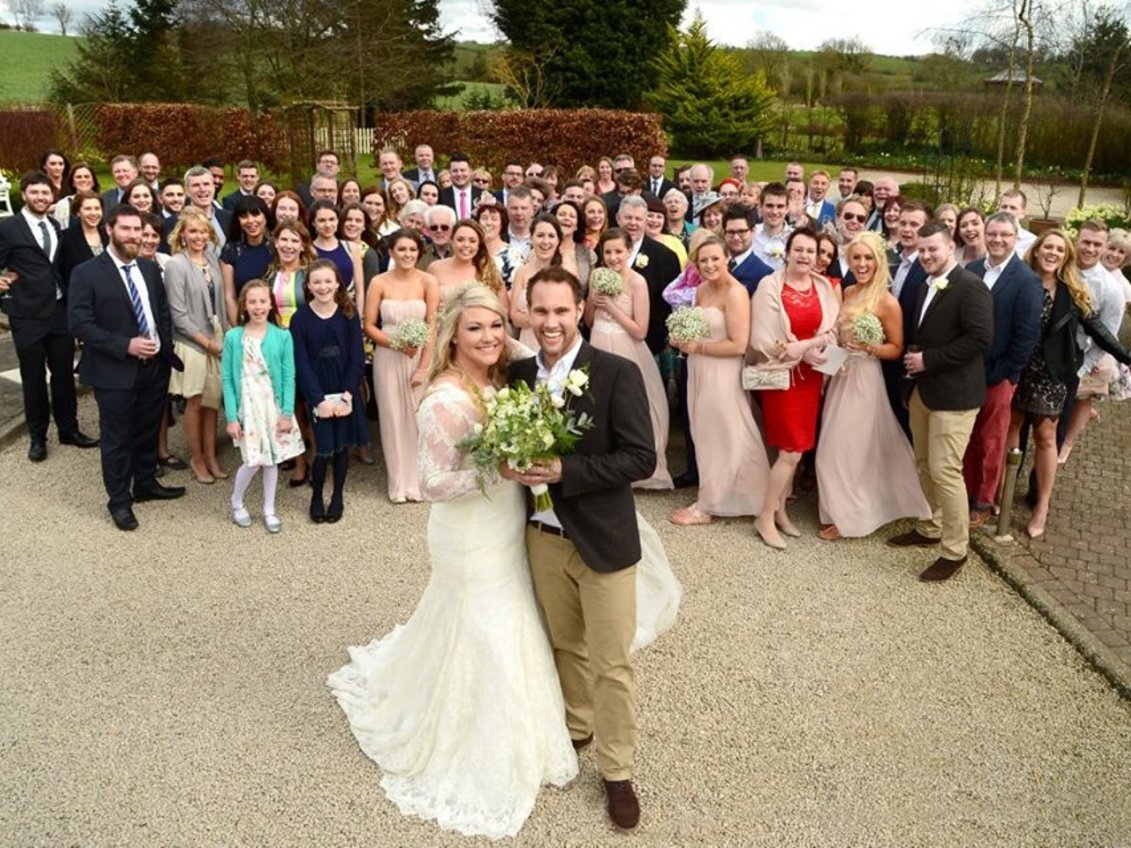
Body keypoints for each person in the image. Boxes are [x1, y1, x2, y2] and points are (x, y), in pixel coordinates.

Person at [327, 285, 579, 840]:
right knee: (485, 624)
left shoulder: (498, 372)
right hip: (468, 532)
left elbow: (545, 348)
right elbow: (434, 483)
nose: (490, 337)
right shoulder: (444, 399)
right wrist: (503, 469)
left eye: (495, 326)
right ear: (452, 336)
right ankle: (481, 739)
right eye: (475, 329)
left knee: (511, 610)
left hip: (504, 521)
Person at [507, 265, 656, 830]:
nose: (550, 322)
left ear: (580, 311)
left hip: (604, 540)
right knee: (566, 645)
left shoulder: (615, 372)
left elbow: (641, 457)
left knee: (612, 661)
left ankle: (617, 771)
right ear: (528, 310)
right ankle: (577, 727)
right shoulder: (517, 375)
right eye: (540, 311)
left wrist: (565, 469)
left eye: (561, 311)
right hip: (542, 537)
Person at [1006, 229, 1131, 539]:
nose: (1052, 253)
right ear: (1036, 251)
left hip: (1053, 372)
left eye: (1059, 250)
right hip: (1018, 367)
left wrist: (1126, 357)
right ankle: (1002, 493)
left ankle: (1042, 505)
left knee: (1046, 435)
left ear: (1065, 257)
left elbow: (1099, 330)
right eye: (1047, 247)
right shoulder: (1020, 281)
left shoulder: (1072, 289)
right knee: (1011, 427)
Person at [67, 204, 186, 531]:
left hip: (153, 368)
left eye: (138, 230)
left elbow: (161, 311)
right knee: (117, 438)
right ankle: (119, 501)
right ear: (110, 229)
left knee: (148, 430)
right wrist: (125, 345)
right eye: (127, 229)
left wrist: (163, 344)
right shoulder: (86, 273)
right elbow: (78, 323)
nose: (134, 236)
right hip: (113, 371)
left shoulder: (148, 269)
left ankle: (145, 484)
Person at [888, 221, 993, 581]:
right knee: (923, 464)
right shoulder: (923, 285)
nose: (927, 255)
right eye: (922, 250)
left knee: (947, 472)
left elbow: (980, 339)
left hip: (955, 396)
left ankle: (955, 549)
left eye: (934, 248)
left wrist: (929, 361)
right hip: (923, 392)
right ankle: (930, 526)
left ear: (951, 247)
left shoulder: (970, 287)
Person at [816, 233, 930, 540]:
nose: (862, 264)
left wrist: (869, 348)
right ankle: (838, 508)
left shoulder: (886, 301)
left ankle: (851, 516)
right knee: (829, 447)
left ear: (879, 262)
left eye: (868, 258)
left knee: (849, 449)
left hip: (865, 379)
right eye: (857, 258)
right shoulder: (847, 291)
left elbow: (897, 347)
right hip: (840, 376)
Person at [748, 228, 840, 550]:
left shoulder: (823, 288)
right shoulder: (769, 286)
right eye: (798, 249)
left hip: (811, 376)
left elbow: (831, 331)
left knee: (798, 450)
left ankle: (781, 511)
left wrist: (807, 346)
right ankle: (764, 515)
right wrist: (794, 349)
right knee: (789, 450)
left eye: (810, 251)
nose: (804, 256)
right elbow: (760, 338)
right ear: (787, 252)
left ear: (818, 257)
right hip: (780, 377)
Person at [670, 234, 769, 526]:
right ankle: (722, 494)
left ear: (727, 258)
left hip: (722, 373)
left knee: (725, 433)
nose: (710, 265)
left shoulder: (736, 293)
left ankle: (710, 504)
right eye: (704, 260)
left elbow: (738, 345)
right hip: (698, 368)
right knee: (704, 432)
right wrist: (683, 339)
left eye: (715, 258)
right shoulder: (701, 289)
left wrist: (697, 347)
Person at [0, 172, 97, 462]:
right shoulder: (8, 227)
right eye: (35, 193)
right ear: (24, 194)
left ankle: (69, 429)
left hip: (58, 311)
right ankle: (37, 437)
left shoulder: (55, 225)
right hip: (26, 313)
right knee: (33, 378)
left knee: (64, 374)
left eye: (45, 193)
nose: (41, 197)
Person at [962, 213, 1042, 526]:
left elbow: (1027, 336)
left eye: (1004, 235)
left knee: (992, 439)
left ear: (1015, 237)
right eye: (992, 233)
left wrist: (1006, 372)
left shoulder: (1027, 280)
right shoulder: (970, 269)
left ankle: (985, 499)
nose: (997, 240)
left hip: (999, 374)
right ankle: (966, 492)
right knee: (967, 434)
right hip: (966, 370)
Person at [585, 228, 673, 489]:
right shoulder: (597, 275)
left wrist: (611, 307)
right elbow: (590, 321)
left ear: (628, 251)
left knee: (630, 406)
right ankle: (602, 463)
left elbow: (640, 330)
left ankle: (633, 465)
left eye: (618, 251)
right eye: (608, 252)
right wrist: (592, 300)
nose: (613, 257)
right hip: (599, 342)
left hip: (626, 346)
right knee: (598, 405)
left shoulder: (637, 281)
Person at [221, 279, 305, 533]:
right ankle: (237, 502)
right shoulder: (234, 337)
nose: (258, 307)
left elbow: (289, 375)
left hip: (273, 405)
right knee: (253, 460)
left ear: (271, 304)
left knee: (272, 460)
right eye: (252, 301)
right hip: (247, 406)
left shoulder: (282, 336)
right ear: (245, 305)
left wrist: (287, 412)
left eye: (262, 301)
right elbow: (227, 378)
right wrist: (232, 417)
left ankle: (269, 509)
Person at [363, 229, 439, 503]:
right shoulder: (379, 283)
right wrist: (395, 343)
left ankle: (420, 480)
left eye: (412, 250)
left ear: (419, 253)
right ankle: (398, 483)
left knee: (419, 417)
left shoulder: (428, 281)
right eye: (401, 249)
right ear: (391, 252)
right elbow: (369, 325)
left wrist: (424, 366)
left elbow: (432, 324)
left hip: (420, 356)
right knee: (393, 417)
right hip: (388, 355)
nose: (407, 254)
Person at [290, 259, 367, 523]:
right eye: (317, 282)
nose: (323, 287)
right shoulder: (299, 319)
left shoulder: (348, 313)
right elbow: (300, 363)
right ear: (308, 286)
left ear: (337, 283)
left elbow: (357, 357)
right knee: (323, 449)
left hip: (344, 387)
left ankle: (337, 496)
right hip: (317, 390)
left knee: (342, 447)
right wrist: (318, 400)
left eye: (327, 281)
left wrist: (347, 394)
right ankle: (316, 494)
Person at [164, 207, 231, 485]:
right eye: (193, 231)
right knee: (194, 401)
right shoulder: (176, 265)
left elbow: (223, 302)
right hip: (192, 341)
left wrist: (225, 338)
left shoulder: (213, 260)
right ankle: (197, 458)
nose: (199, 236)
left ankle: (212, 455)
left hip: (216, 334)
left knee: (213, 401)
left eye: (203, 231)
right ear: (182, 234)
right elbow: (178, 315)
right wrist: (207, 344)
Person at [510, 214, 564, 350]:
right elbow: (514, 315)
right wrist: (538, 320)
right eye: (540, 235)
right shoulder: (521, 272)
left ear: (558, 240)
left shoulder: (566, 273)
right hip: (528, 342)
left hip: (558, 340)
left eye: (551, 236)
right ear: (532, 238)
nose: (545, 241)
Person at [220, 195, 274, 323]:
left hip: (277, 320)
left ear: (265, 216)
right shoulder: (231, 251)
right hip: (246, 321)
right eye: (244, 216)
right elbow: (230, 296)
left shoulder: (277, 247)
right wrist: (238, 330)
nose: (250, 220)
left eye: (255, 215)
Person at [310, 200, 364, 316]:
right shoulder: (309, 250)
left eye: (332, 219)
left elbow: (359, 290)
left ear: (338, 220)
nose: (328, 225)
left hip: (348, 310)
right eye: (322, 220)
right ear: (314, 223)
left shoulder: (352, 248)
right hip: (319, 311)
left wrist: (358, 317)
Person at [58, 190, 108, 286]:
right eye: (88, 209)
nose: (93, 213)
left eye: (97, 208)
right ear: (78, 212)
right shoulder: (66, 238)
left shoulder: (109, 235)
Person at [721, 203, 773, 296]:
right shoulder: (717, 266)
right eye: (731, 232)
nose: (736, 237)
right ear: (724, 233)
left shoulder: (765, 274)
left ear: (753, 231)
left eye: (741, 231)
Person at [53, 161, 99, 230]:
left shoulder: (105, 201)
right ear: (73, 183)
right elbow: (59, 233)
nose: (83, 180)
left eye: (87, 177)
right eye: (78, 177)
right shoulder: (63, 205)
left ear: (93, 182)